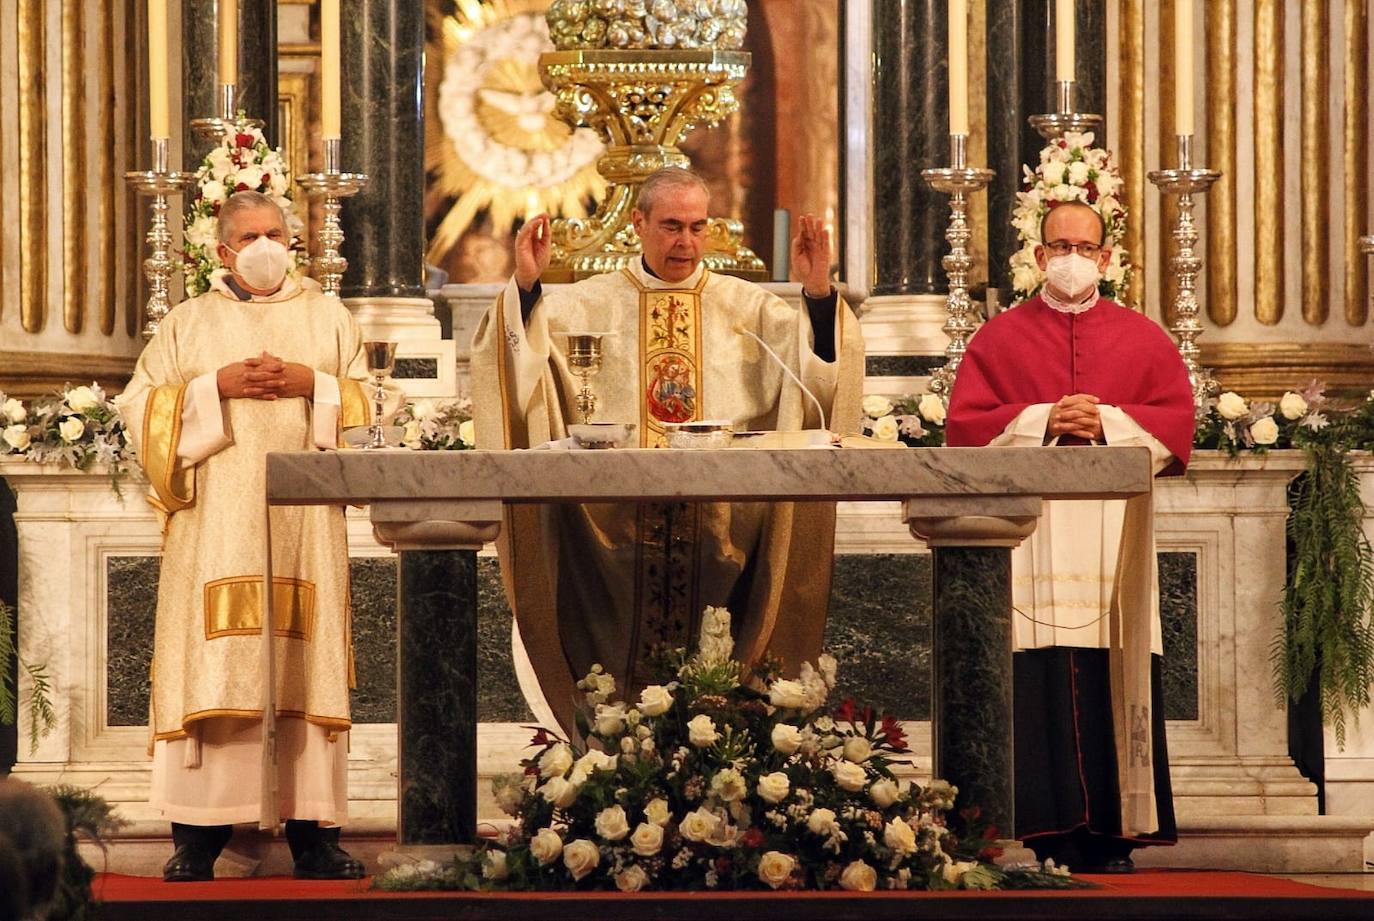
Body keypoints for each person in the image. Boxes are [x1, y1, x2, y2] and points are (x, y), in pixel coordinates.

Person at [470, 167, 863, 733]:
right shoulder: (582, 307)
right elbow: (512, 365)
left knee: (716, 674)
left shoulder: (750, 311)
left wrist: (818, 293)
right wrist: (527, 287)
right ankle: (615, 759)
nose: (686, 242)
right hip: (612, 543)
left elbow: (820, 374)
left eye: (698, 227)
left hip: (722, 540)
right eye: (672, 226)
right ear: (637, 223)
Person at [116, 191, 376, 882]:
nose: (266, 247)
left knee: (300, 671)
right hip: (216, 527)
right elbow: (140, 409)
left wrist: (309, 382)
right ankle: (197, 836)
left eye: (276, 234)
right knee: (215, 668)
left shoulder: (328, 316)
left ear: (293, 242)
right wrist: (215, 387)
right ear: (223, 250)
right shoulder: (188, 322)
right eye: (250, 236)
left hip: (305, 529)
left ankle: (313, 834)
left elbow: (373, 404)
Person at [946, 200, 1195, 872]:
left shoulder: (1145, 339)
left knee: (1109, 674)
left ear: (1108, 259)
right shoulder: (997, 340)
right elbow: (966, 428)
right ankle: (1040, 831)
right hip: (1033, 541)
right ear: (1038, 258)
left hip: (1115, 543)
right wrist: (1042, 417)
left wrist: (1106, 419)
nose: (1072, 259)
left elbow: (1175, 426)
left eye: (1085, 247)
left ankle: (1114, 837)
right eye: (1059, 245)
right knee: (1041, 677)